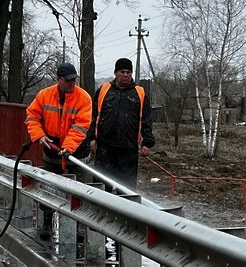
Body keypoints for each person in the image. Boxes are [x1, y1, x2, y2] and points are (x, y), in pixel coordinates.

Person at [25, 62, 92, 240]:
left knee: (81, 193)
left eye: (74, 80)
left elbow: (80, 127)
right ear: (59, 79)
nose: (72, 84)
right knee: (48, 189)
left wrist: (68, 148)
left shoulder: (83, 98)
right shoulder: (44, 95)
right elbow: (32, 116)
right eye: (68, 81)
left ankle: (80, 228)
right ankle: (47, 222)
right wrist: (39, 135)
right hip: (52, 151)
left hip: (77, 154)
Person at [88, 58, 155, 193]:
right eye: (122, 71)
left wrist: (147, 142)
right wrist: (92, 138)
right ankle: (101, 213)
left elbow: (146, 119)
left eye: (128, 72)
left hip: (128, 149)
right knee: (101, 188)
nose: (125, 75)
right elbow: (94, 116)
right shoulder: (103, 90)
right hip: (105, 148)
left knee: (126, 190)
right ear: (115, 73)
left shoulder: (139, 93)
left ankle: (123, 213)